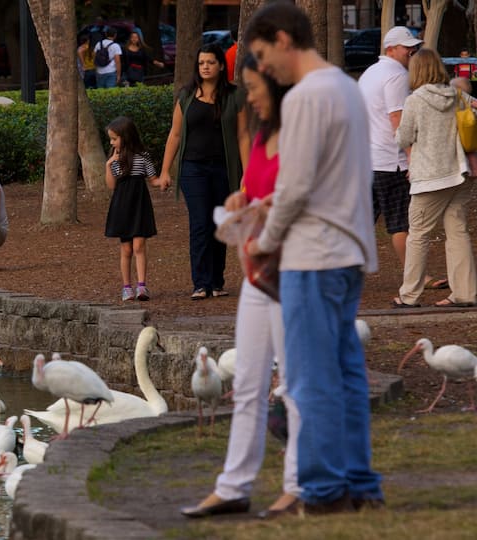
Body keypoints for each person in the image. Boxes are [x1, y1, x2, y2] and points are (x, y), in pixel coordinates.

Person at [244, 1, 383, 514]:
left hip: (311, 254)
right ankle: (360, 482)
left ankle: (324, 489)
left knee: (308, 379)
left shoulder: (304, 97)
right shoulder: (347, 87)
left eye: (261, 54)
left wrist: (264, 238)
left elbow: (297, 184)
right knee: (346, 374)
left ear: (283, 38)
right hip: (349, 250)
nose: (264, 68)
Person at [180, 53, 301, 520]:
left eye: (253, 88)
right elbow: (251, 186)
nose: (247, 97)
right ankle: (233, 485)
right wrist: (240, 201)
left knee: (292, 380)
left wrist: (271, 212)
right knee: (248, 380)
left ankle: (297, 483)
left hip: (292, 268)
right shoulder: (264, 134)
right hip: (257, 269)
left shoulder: (300, 135)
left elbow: (303, 196)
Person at [156, 43, 249, 300]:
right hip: (192, 169)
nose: (205, 67)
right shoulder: (186, 95)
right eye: (201, 63)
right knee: (199, 223)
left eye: (210, 62)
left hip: (223, 168)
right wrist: (165, 171)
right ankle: (200, 282)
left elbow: (243, 136)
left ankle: (216, 281)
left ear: (221, 65)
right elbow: (175, 135)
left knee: (219, 222)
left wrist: (247, 172)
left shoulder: (234, 96)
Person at [357, 27, 444, 289]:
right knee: (400, 223)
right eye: (408, 47)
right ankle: (418, 276)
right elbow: (398, 119)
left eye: (413, 46)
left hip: (369, 159)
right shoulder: (395, 75)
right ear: (391, 48)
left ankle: (335, 273)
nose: (412, 51)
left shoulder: (370, 73)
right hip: (390, 161)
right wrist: (411, 158)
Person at [393, 48, 476, 308]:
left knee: (418, 235)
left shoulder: (415, 100)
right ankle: (465, 293)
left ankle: (410, 295)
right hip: (460, 173)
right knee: (458, 232)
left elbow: (403, 137)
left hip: (429, 177)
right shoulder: (457, 95)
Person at [104, 116, 167, 302]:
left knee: (139, 245)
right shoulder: (115, 159)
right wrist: (109, 164)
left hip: (139, 204)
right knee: (126, 249)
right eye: (111, 139)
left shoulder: (143, 156)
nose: (112, 142)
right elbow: (111, 185)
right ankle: (126, 287)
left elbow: (152, 179)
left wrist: (162, 181)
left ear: (126, 136)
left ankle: (142, 285)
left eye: (114, 138)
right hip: (122, 205)